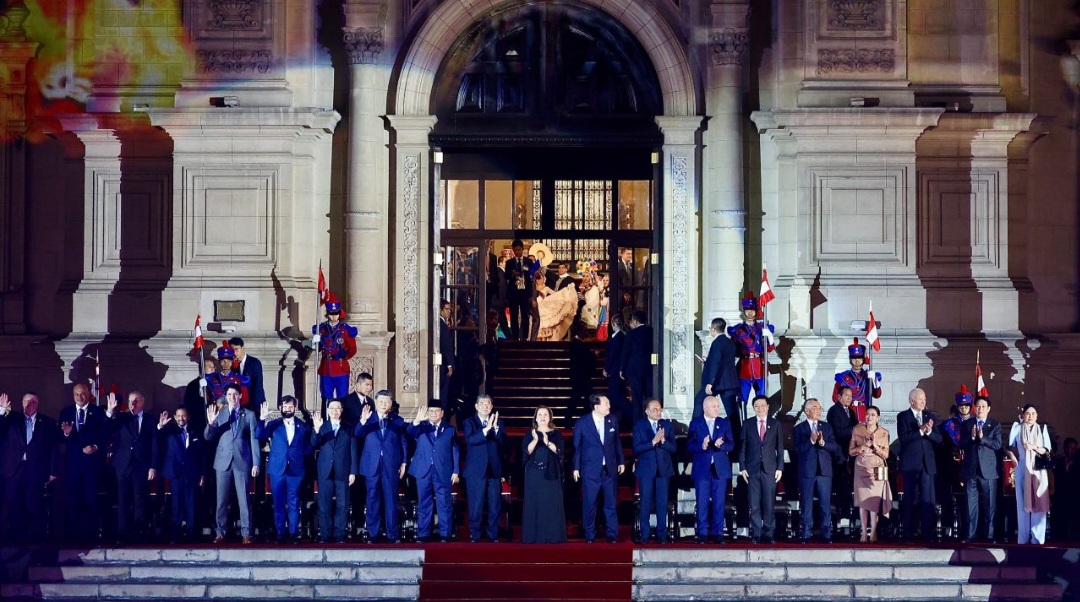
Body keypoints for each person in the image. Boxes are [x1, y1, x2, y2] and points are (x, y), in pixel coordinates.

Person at [0, 392, 60, 544]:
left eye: (33, 401)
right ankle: (15, 542)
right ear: (21, 403)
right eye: (26, 401)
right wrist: (1, 410)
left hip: (36, 471)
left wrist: (53, 471)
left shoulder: (47, 422)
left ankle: (35, 543)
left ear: (37, 404)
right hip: (13, 471)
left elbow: (53, 448)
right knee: (14, 506)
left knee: (35, 506)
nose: (29, 404)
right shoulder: (11, 419)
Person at [204, 383, 260, 544]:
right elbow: (208, 437)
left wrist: (256, 463)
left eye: (235, 394)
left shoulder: (248, 415)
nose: (232, 398)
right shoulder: (219, 414)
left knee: (244, 499)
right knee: (221, 499)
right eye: (229, 395)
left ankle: (246, 533)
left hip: (242, 461)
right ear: (226, 397)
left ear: (240, 396)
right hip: (222, 461)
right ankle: (220, 532)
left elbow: (253, 439)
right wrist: (210, 424)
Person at [256, 396, 312, 543]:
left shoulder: (303, 426)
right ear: (280, 408)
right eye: (285, 407)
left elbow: (309, 447)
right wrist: (262, 419)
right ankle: (280, 533)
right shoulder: (274, 425)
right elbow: (259, 435)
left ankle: (293, 534)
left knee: (294, 502)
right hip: (277, 470)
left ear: (295, 408)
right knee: (279, 503)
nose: (288, 409)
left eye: (291, 407)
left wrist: (297, 456)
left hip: (296, 470)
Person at [355, 390, 407, 542]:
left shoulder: (397, 421)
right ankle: (373, 534)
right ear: (375, 403)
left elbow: (403, 443)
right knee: (372, 500)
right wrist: (363, 421)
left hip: (391, 466)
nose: (384, 405)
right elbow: (358, 434)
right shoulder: (368, 418)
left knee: (391, 500)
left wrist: (404, 462)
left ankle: (392, 535)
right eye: (381, 402)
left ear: (391, 404)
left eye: (387, 402)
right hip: (372, 466)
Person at [105, 391, 157, 542]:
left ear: (143, 402)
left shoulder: (151, 420)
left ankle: (140, 533)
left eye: (136, 401)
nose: (133, 404)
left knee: (140, 499)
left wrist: (153, 466)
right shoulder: (121, 418)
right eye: (130, 401)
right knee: (122, 500)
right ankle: (122, 533)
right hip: (123, 466)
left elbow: (155, 445)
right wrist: (109, 412)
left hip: (141, 466)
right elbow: (107, 430)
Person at [573, 394, 625, 543]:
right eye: (606, 403)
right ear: (596, 407)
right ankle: (589, 534)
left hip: (609, 468)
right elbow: (578, 446)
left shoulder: (612, 420)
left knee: (611, 503)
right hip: (590, 469)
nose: (609, 406)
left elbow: (617, 443)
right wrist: (576, 467)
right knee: (590, 503)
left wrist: (621, 461)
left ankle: (612, 534)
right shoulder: (583, 423)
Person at [59, 383, 107, 543]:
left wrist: (96, 446)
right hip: (72, 466)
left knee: (91, 500)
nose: (80, 397)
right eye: (76, 394)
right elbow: (60, 438)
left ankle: (91, 536)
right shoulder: (65, 412)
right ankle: (73, 536)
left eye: (83, 394)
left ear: (89, 394)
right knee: (73, 501)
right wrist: (66, 434)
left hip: (92, 467)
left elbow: (106, 435)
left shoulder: (99, 412)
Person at [407, 402, 460, 542]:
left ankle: (445, 534)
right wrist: (417, 420)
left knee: (444, 503)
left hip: (443, 471)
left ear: (442, 413)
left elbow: (455, 450)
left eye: (437, 411)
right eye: (431, 411)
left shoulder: (450, 429)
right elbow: (410, 432)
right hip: (423, 471)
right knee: (424, 503)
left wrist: (456, 471)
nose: (433, 413)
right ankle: (424, 534)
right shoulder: (421, 427)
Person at [153, 406, 206, 543]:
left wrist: (202, 474)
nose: (181, 418)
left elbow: (202, 455)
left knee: (191, 503)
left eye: (183, 416)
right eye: (178, 416)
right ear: (175, 417)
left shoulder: (196, 432)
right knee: (176, 504)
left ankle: (191, 533)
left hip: (192, 474)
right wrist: (160, 426)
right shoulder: (169, 430)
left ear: (188, 416)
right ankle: (175, 534)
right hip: (175, 473)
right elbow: (157, 437)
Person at [897, 387, 942, 543]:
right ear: (912, 401)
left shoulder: (930, 416)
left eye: (924, 399)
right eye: (920, 399)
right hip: (910, 465)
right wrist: (921, 431)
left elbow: (939, 439)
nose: (924, 402)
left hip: (927, 465)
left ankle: (928, 534)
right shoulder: (903, 416)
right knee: (910, 499)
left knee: (928, 499)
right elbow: (904, 438)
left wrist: (929, 432)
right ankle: (909, 534)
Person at [688, 395, 735, 544]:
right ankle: (702, 533)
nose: (717, 409)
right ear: (705, 408)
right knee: (702, 502)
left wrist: (721, 445)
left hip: (719, 469)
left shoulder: (724, 422)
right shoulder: (696, 423)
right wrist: (701, 446)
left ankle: (718, 532)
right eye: (714, 406)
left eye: (718, 406)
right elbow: (689, 445)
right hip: (702, 468)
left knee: (719, 502)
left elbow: (731, 445)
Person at [310, 400, 358, 543]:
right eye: (332, 408)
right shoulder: (322, 427)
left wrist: (353, 471)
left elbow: (353, 451)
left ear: (342, 410)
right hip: (325, 471)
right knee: (324, 505)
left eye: (338, 408)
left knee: (342, 505)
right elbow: (314, 443)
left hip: (343, 471)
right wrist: (316, 430)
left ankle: (339, 536)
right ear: (328, 410)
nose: (335, 410)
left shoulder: (349, 428)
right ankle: (325, 535)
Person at [794, 398, 840, 543]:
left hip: (824, 470)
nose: (819, 410)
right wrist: (812, 441)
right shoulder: (799, 429)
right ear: (807, 411)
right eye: (815, 408)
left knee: (825, 503)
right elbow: (798, 450)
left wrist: (822, 443)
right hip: (807, 470)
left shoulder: (827, 427)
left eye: (820, 408)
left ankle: (826, 533)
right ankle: (806, 533)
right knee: (806, 503)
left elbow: (834, 447)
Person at [739, 395, 784, 543]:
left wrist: (780, 468)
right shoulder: (747, 424)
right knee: (754, 503)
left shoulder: (775, 424)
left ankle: (769, 533)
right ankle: (756, 534)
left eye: (763, 405)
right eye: (757, 406)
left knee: (769, 503)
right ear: (753, 408)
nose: (760, 408)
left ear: (768, 406)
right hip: (752, 469)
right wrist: (742, 467)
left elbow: (780, 448)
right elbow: (743, 447)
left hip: (770, 469)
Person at [463, 395, 507, 543]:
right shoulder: (469, 422)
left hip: (494, 469)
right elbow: (470, 440)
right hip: (475, 470)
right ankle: (475, 535)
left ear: (491, 407)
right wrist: (486, 429)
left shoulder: (499, 422)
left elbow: (503, 443)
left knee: (495, 505)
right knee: (476, 504)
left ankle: (493, 535)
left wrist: (494, 429)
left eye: (488, 404)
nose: (485, 406)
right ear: (476, 406)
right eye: (482, 404)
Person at [521, 406, 567, 543]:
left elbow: (560, 452)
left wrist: (547, 442)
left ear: (550, 417)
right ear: (535, 417)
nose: (542, 417)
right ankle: (532, 537)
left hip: (551, 474)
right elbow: (526, 452)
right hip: (533, 475)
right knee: (534, 504)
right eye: (540, 414)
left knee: (551, 504)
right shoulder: (530, 434)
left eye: (545, 414)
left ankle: (552, 537)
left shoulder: (556, 434)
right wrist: (535, 440)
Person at [633, 398, 676, 544]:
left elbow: (674, 448)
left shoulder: (667, 425)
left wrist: (663, 441)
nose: (658, 412)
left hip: (663, 470)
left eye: (660, 409)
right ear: (647, 411)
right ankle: (644, 534)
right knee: (645, 502)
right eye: (655, 409)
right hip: (646, 470)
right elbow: (636, 448)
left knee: (662, 503)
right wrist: (652, 442)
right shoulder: (639, 425)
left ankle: (662, 534)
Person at [1008, 404, 1051, 545]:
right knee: (1022, 505)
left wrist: (1034, 447)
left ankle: (1037, 539)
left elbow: (1047, 449)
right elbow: (1009, 444)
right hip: (1022, 468)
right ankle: (1023, 538)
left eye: (1033, 413)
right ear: (1023, 415)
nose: (1030, 416)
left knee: (1039, 504)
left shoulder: (1042, 428)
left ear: (1037, 415)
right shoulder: (1018, 428)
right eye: (1028, 413)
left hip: (1038, 469)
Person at [849, 406, 892, 542]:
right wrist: (861, 448)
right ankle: (863, 532)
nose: (869, 417)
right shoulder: (857, 430)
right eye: (867, 414)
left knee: (874, 503)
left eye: (873, 415)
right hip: (861, 468)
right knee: (863, 503)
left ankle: (873, 532)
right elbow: (850, 451)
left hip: (877, 469)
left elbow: (886, 454)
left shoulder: (884, 433)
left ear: (878, 418)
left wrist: (875, 446)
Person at [961, 396, 1001, 543]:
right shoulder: (967, 424)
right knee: (970, 504)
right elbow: (961, 443)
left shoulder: (994, 424)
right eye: (978, 406)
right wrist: (972, 438)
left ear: (988, 409)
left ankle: (989, 536)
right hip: (971, 470)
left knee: (989, 504)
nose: (980, 409)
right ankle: (971, 535)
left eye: (983, 406)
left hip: (988, 470)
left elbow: (997, 445)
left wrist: (982, 438)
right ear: (974, 408)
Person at [728, 294, 775, 411]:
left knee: (762, 399)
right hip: (744, 369)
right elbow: (731, 350)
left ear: (756, 311)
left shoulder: (762, 328)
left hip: (760, 368)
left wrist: (769, 337)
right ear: (744, 311)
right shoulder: (737, 330)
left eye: (752, 310)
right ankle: (742, 426)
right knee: (742, 399)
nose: (750, 313)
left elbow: (770, 349)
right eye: (747, 310)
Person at [313, 293, 358, 405]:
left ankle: (343, 422)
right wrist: (314, 343)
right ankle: (325, 420)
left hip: (340, 367)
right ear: (327, 314)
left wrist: (344, 356)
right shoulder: (322, 329)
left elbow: (352, 349)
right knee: (326, 398)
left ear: (340, 313)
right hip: (326, 368)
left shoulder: (345, 330)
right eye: (331, 314)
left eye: (336, 314)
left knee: (343, 399)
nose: (334, 316)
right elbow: (317, 349)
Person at [696, 317, 738, 422]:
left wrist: (710, 382)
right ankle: (738, 437)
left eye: (710, 328)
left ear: (713, 329)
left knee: (699, 402)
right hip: (729, 383)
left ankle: (696, 433)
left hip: (716, 383)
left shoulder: (717, 343)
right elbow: (723, 361)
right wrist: (706, 361)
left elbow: (716, 363)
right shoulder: (730, 342)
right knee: (732, 413)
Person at [831, 338, 881, 422]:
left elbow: (877, 395)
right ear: (850, 359)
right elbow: (835, 398)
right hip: (849, 412)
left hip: (864, 412)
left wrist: (874, 380)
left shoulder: (868, 376)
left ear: (863, 359)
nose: (857, 361)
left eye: (859, 358)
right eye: (854, 358)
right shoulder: (843, 377)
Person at [828, 386, 858, 521]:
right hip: (839, 454)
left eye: (851, 396)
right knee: (841, 486)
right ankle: (841, 517)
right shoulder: (834, 411)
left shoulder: (851, 412)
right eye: (846, 396)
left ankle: (851, 515)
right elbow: (838, 432)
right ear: (839, 397)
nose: (849, 399)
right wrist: (855, 431)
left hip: (851, 454)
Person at [621, 310, 653, 423]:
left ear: (635, 321)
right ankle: (650, 421)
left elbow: (626, 352)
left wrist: (622, 369)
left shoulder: (631, 334)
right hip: (650, 369)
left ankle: (638, 423)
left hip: (634, 370)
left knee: (637, 398)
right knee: (649, 396)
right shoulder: (652, 332)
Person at [533, 271, 579, 341]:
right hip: (536, 308)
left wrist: (565, 293)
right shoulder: (532, 288)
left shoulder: (546, 288)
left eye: (540, 278)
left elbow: (556, 294)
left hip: (545, 308)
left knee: (546, 324)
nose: (539, 280)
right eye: (537, 278)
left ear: (544, 279)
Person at [504, 239, 534, 340]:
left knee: (525, 315)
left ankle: (525, 337)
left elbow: (532, 276)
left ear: (522, 249)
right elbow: (506, 276)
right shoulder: (509, 262)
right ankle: (515, 337)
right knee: (514, 316)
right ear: (513, 250)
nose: (517, 252)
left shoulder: (528, 262)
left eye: (519, 249)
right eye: (515, 250)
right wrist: (512, 274)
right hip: (514, 293)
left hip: (525, 292)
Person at [229, 337, 265, 411]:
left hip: (254, 403)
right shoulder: (232, 365)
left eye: (237, 349)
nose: (235, 353)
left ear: (243, 348)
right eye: (232, 350)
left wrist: (257, 407)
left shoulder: (254, 362)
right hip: (239, 403)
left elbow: (258, 385)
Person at [604, 314, 629, 419]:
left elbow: (613, 355)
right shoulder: (623, 336)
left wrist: (606, 368)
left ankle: (627, 416)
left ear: (614, 324)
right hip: (618, 370)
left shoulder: (618, 338)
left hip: (615, 370)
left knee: (616, 396)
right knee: (616, 396)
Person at [438, 300, 457, 406]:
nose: (449, 311)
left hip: (443, 364)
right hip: (443, 365)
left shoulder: (443, 324)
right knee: (443, 392)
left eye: (450, 309)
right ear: (440, 311)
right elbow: (446, 346)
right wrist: (449, 364)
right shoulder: (441, 325)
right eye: (447, 309)